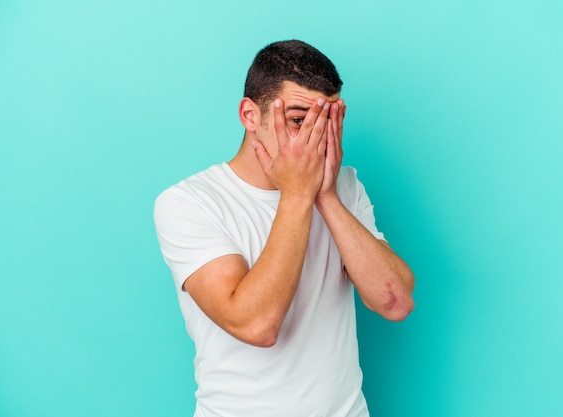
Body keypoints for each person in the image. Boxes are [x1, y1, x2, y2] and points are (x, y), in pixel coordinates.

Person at [154, 39, 415, 417]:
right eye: (298, 121)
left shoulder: (344, 187)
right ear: (249, 115)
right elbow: (257, 325)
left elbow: (396, 303)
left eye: (326, 122)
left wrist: (324, 196)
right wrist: (297, 194)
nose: (314, 140)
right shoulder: (189, 203)